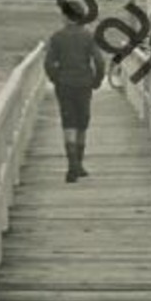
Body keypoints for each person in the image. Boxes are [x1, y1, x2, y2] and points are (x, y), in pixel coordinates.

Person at [44, 12, 106, 182]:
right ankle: (78, 163)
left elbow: (48, 63)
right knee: (82, 122)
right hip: (84, 83)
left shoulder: (57, 37)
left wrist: (55, 78)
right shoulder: (88, 36)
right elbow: (99, 61)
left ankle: (73, 165)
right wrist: (97, 80)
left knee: (68, 122)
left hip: (64, 84)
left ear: (65, 17)